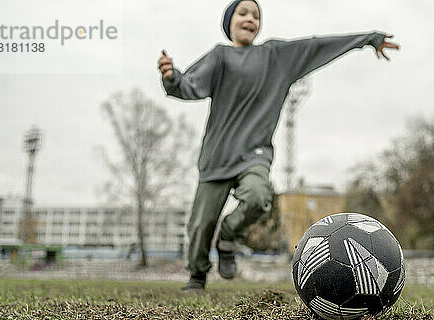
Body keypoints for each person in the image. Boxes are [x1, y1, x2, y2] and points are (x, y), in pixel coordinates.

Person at [158, 0, 399, 291]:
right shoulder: (220, 57)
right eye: (243, 13)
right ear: (229, 23)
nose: (250, 18)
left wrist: (367, 39)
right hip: (217, 158)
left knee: (259, 195)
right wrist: (171, 77)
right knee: (199, 227)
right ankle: (197, 277)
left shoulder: (277, 57)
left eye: (256, 15)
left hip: (254, 155)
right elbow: (188, 85)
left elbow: (316, 46)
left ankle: (228, 235)